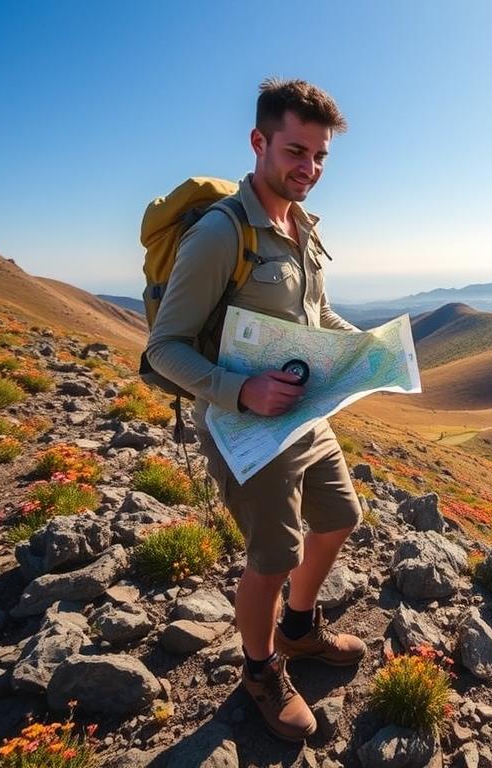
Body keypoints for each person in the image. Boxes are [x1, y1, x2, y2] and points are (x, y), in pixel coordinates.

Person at [145, 78, 365, 742]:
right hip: (244, 425)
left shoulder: (300, 225)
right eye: (297, 151)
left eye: (321, 156)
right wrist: (240, 392)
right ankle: (260, 668)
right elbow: (164, 349)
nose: (310, 169)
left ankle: (297, 631)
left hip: (303, 414)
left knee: (340, 517)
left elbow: (314, 315)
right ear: (259, 142)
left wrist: (368, 347)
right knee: (272, 556)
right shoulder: (221, 234)